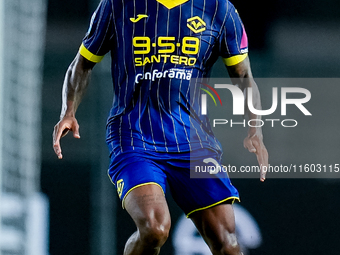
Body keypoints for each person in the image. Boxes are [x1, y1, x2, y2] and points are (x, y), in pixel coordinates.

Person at [53, 0, 268, 254]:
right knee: (155, 228)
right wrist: (68, 110)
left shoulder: (219, 9)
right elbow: (82, 63)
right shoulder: (117, 5)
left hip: (194, 143)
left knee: (228, 244)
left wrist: (255, 128)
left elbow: (243, 75)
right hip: (135, 137)